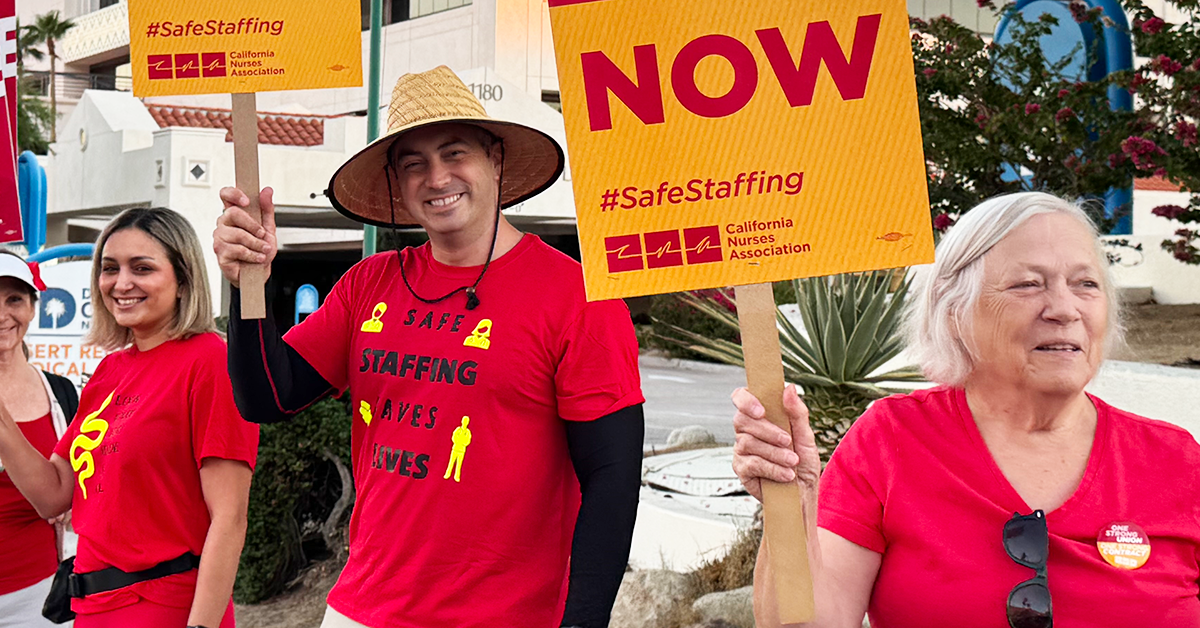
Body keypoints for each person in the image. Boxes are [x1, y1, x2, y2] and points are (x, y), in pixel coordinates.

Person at [213, 65, 645, 628]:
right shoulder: (370, 282)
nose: (436, 177)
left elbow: (612, 482)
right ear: (396, 183)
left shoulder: (578, 296)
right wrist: (249, 280)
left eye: (453, 153)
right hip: (359, 611)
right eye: (412, 163)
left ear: (494, 157)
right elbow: (268, 396)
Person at [731, 192, 1200, 628]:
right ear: (954, 310)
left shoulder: (1175, 460)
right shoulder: (894, 439)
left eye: (1086, 284)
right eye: (1027, 284)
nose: (1064, 308)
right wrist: (790, 504)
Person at [0, 209, 259, 628]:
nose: (121, 284)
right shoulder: (111, 371)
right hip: (91, 608)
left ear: (183, 279)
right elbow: (54, 495)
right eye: (109, 268)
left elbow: (229, 520)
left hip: (164, 607)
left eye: (142, 268)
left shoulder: (211, 360)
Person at [0, 252, 78, 628]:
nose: (2, 315)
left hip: (40, 595)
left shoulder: (61, 392)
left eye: (14, 299)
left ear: (33, 308)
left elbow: (85, 485)